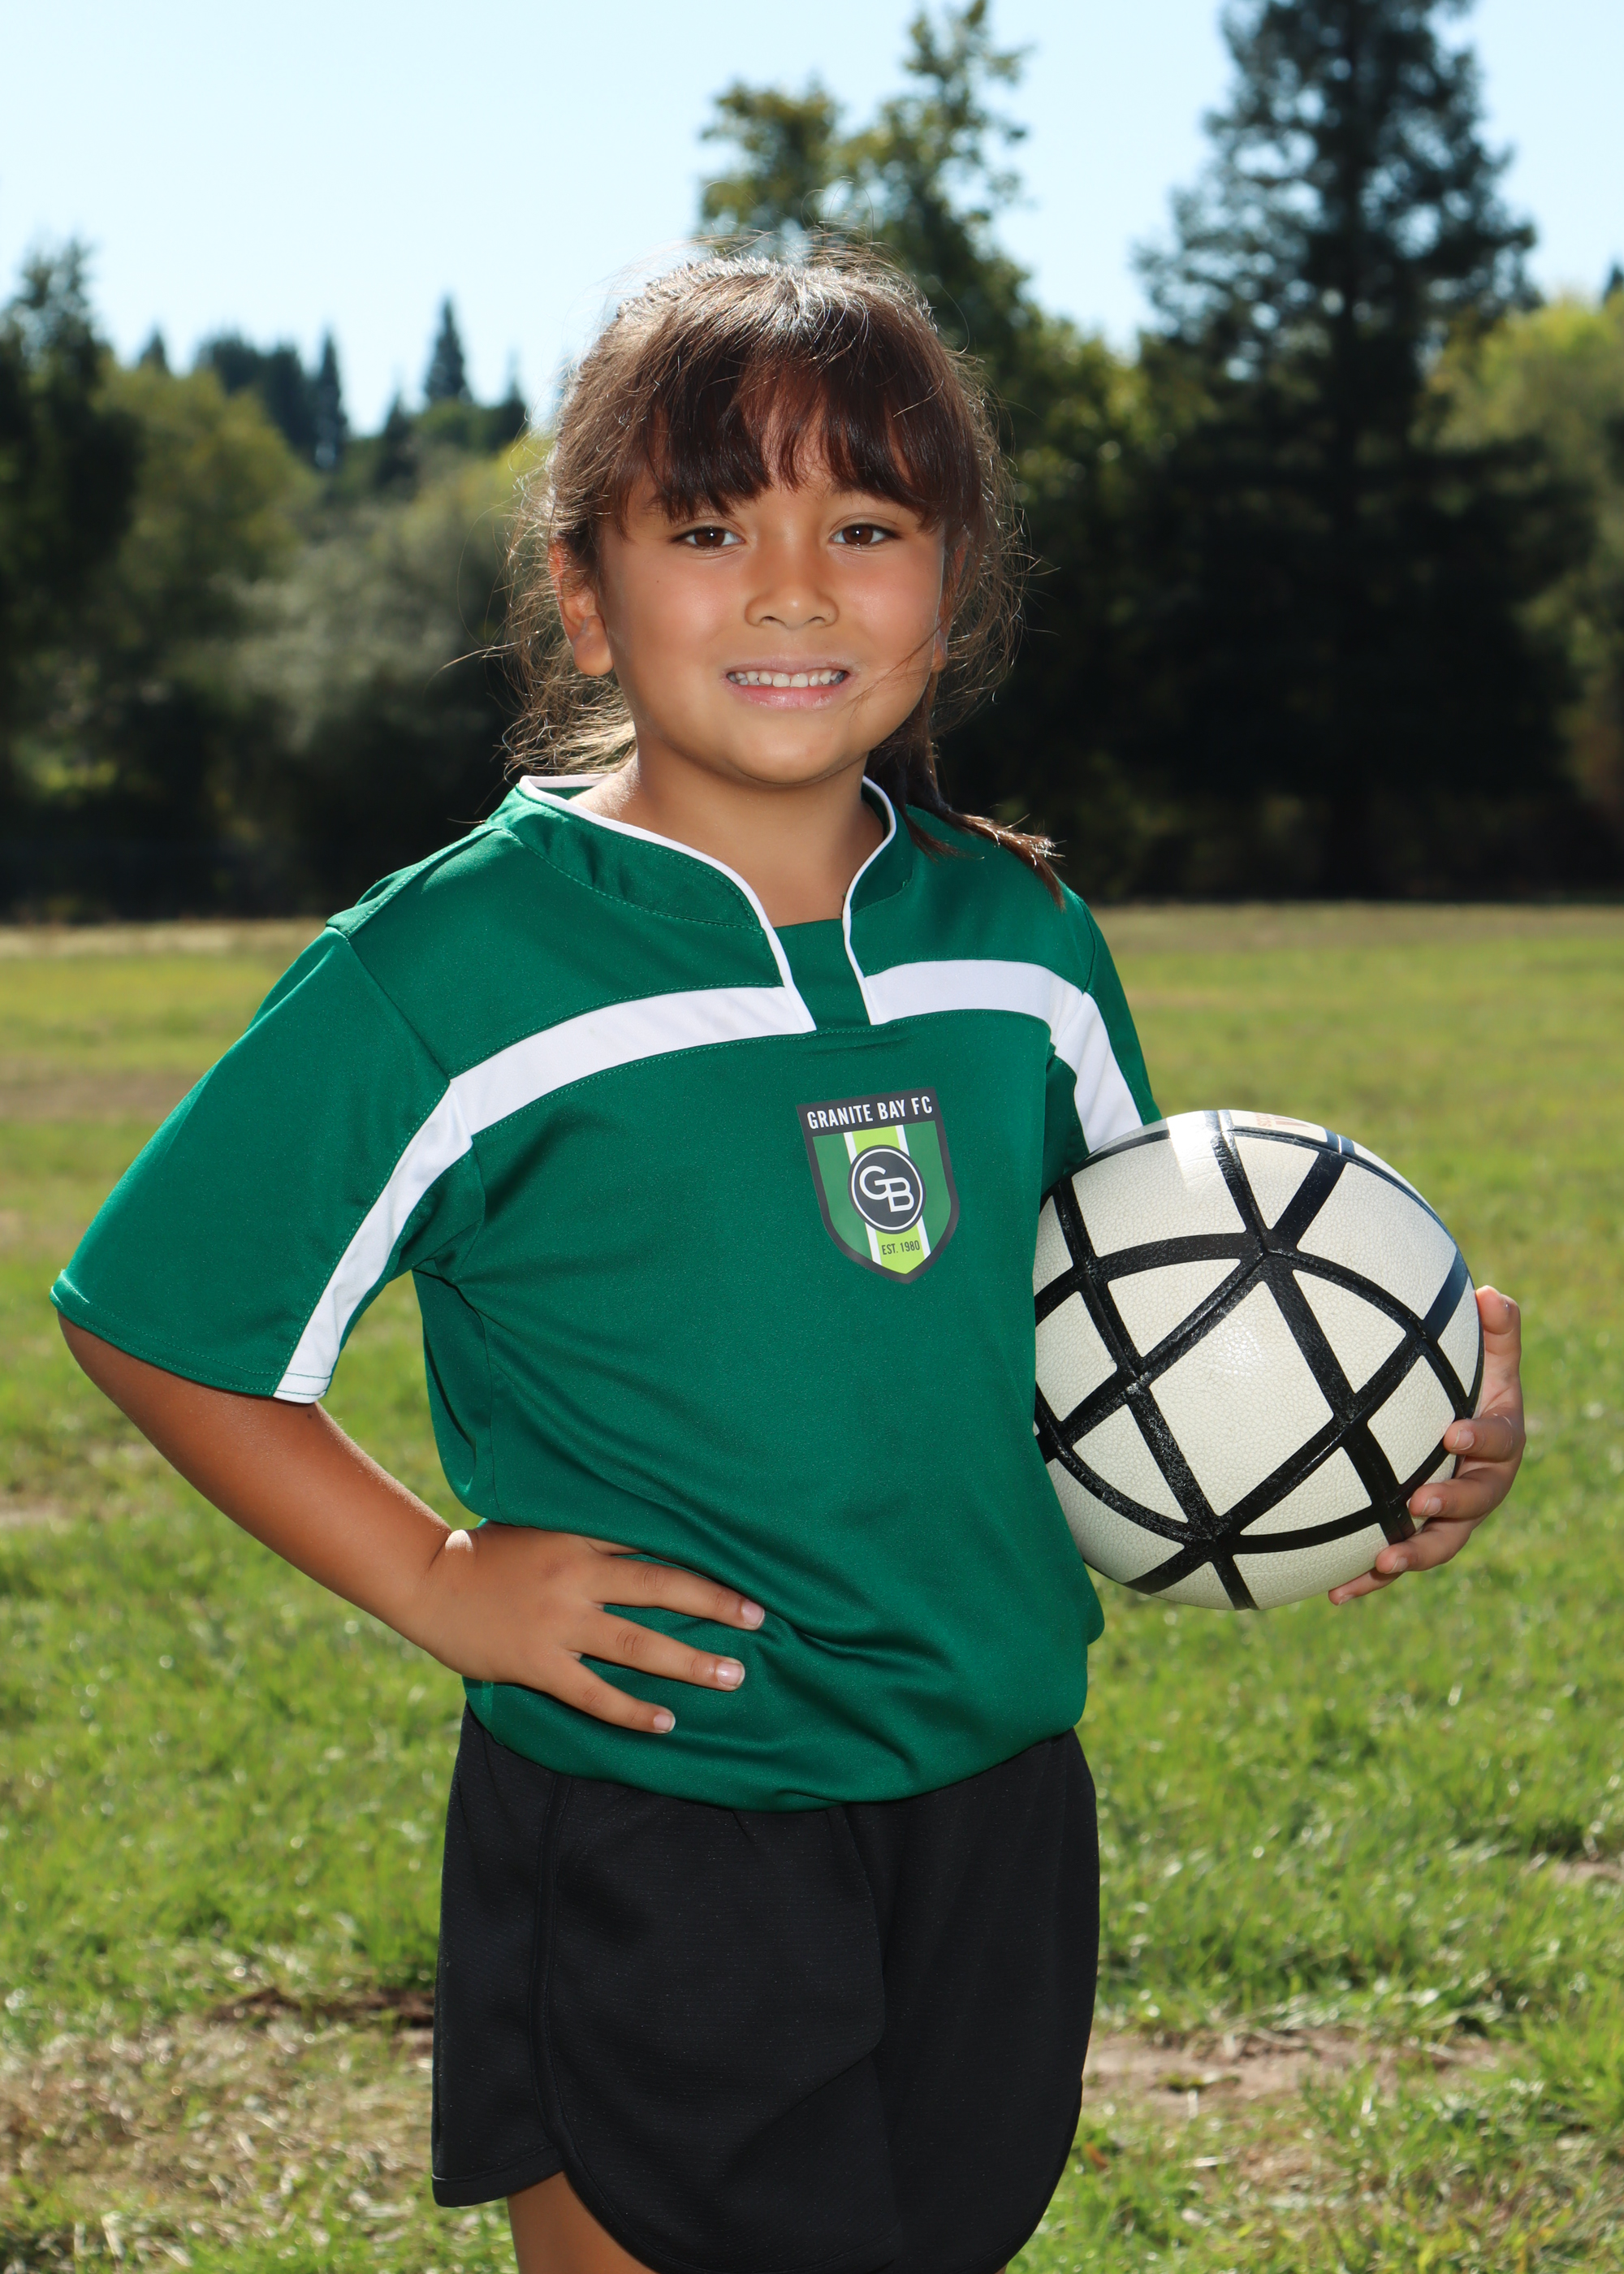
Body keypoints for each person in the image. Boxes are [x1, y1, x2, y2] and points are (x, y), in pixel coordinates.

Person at [54, 252, 1526, 2274]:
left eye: (865, 527)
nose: (792, 588)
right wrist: (439, 1578)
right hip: (665, 1798)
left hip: (997, 1783)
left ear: (952, 580)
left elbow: (1145, 1320)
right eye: (706, 529)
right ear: (584, 592)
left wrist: (1385, 1426)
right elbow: (159, 1316)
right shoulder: (454, 963)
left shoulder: (1016, 939)